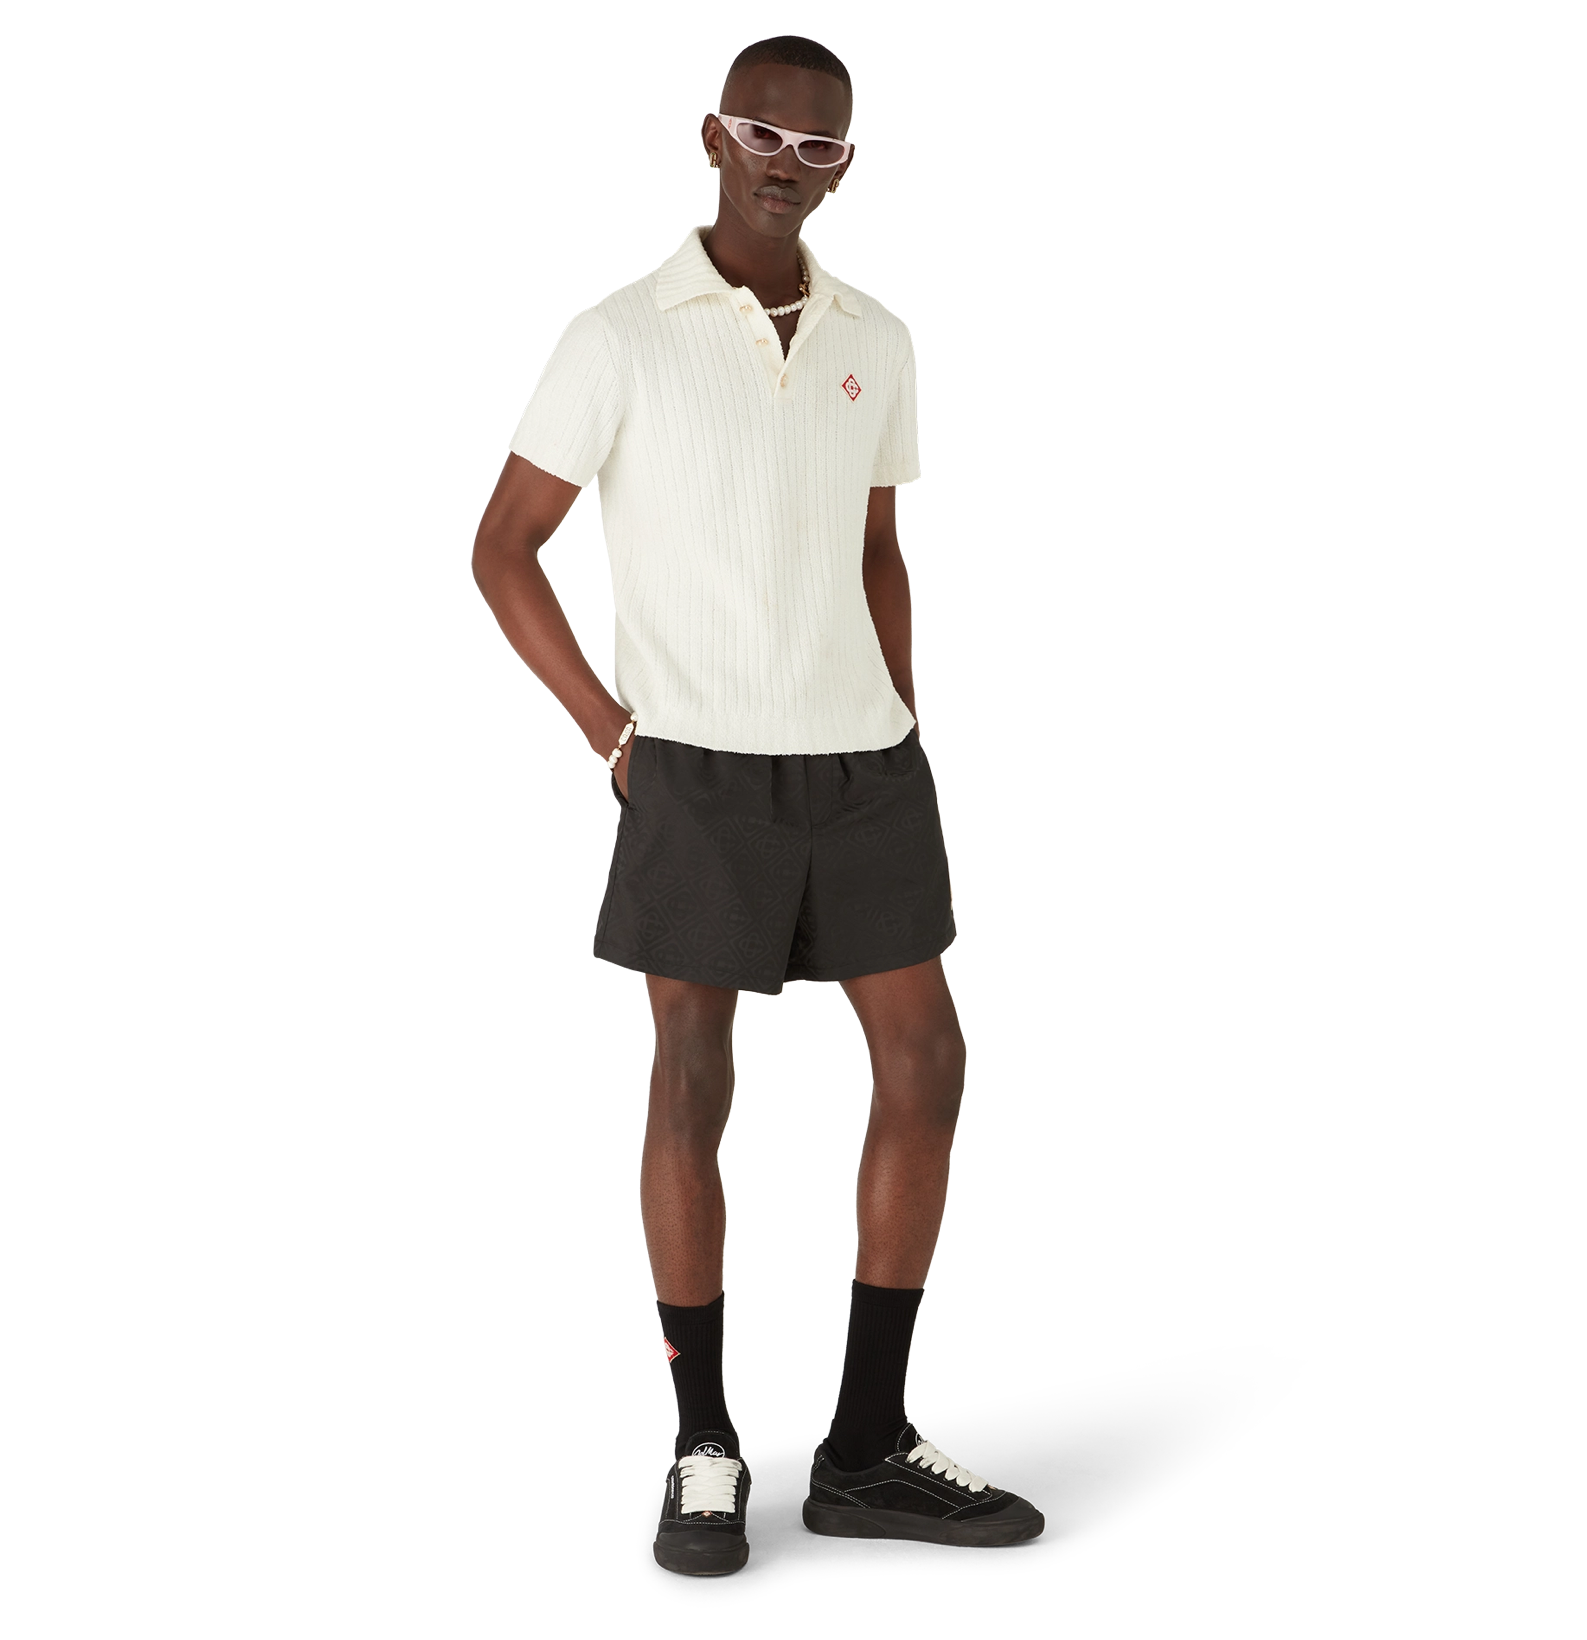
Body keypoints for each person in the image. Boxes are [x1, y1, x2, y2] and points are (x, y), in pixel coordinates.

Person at [472, 35, 1043, 1575]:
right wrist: (611, 735)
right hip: (697, 767)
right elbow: (502, 548)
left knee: (928, 1061)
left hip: (864, 766)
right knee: (690, 1080)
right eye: (765, 134)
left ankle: (865, 1445)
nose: (790, 162)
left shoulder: (877, 338)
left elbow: (876, 549)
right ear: (713, 136)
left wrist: (904, 717)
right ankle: (704, 1443)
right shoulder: (618, 336)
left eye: (821, 145)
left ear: (847, 167)